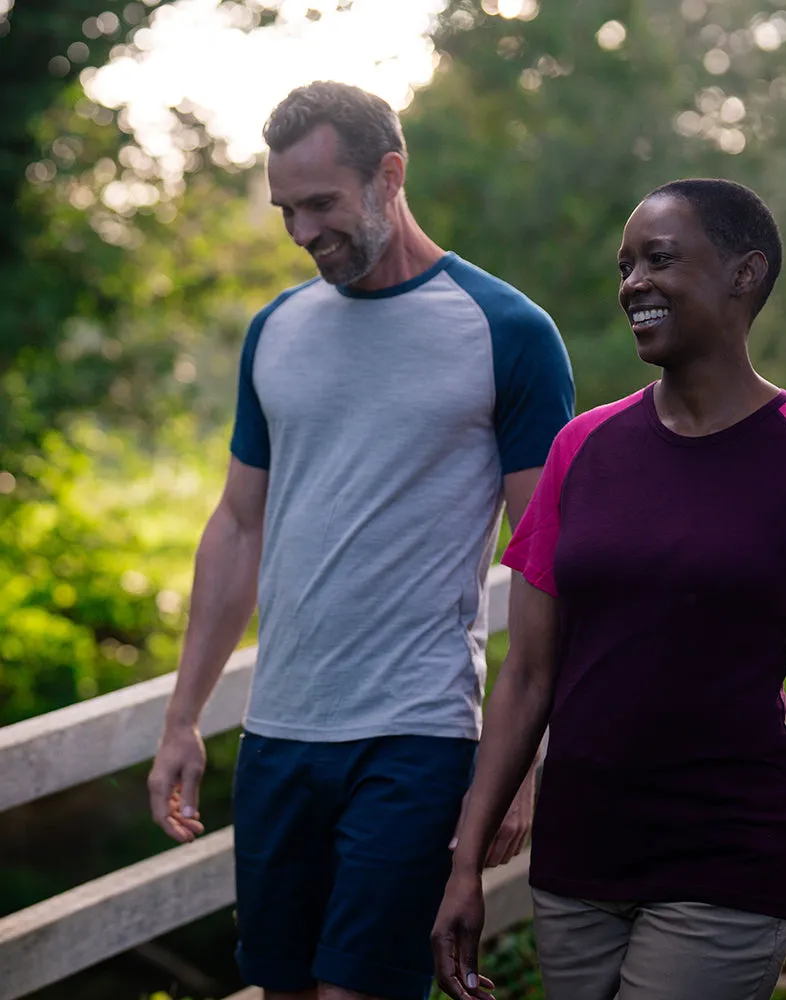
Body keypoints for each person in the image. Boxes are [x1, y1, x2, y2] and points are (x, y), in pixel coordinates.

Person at [146, 80, 574, 1000]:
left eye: (321, 204)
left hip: (415, 733)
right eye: (286, 211)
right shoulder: (275, 333)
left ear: (390, 175)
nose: (301, 232)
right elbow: (237, 526)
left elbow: (547, 559)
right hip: (277, 733)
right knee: (282, 989)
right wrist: (184, 718)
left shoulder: (506, 331)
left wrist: (526, 759)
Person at [431, 178, 786, 1000]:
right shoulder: (582, 449)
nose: (632, 283)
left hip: (726, 860)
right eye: (624, 265)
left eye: (659, 259)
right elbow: (528, 676)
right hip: (576, 864)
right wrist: (465, 866)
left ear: (744, 274)